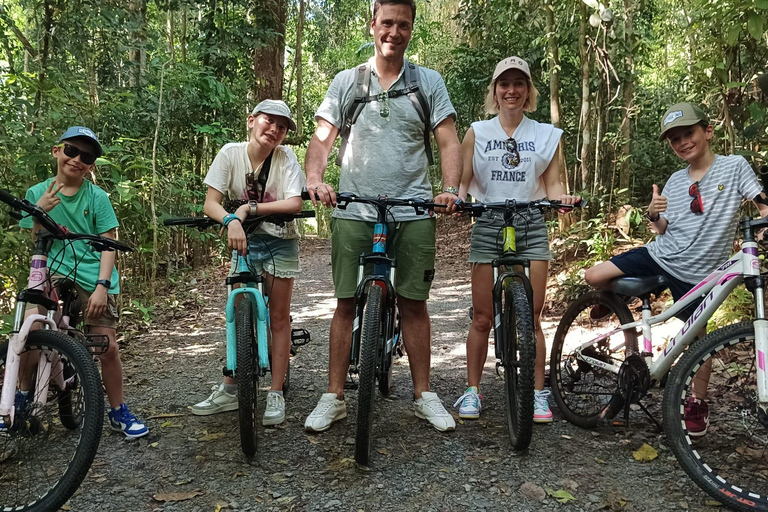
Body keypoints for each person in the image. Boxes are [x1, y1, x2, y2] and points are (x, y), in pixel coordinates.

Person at [304, 0, 462, 432]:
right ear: (373, 24)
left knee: (414, 303)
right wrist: (317, 179)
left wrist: (448, 190)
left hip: (413, 208)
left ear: (412, 29)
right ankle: (334, 396)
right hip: (354, 206)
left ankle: (424, 394)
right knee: (344, 302)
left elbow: (449, 141)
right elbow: (321, 139)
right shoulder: (347, 81)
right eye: (387, 22)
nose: (394, 31)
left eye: (403, 24)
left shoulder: (428, 82)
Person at [584, 102, 768, 436]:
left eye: (689, 133)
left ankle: (696, 403)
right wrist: (654, 214)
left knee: (699, 341)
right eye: (675, 139)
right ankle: (613, 300)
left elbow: (762, 202)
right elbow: (663, 229)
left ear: (707, 131)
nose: (683, 142)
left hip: (699, 273)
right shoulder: (674, 179)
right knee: (594, 276)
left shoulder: (734, 167)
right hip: (661, 255)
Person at [453, 57, 579, 423]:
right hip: (489, 219)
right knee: (481, 316)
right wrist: (456, 200)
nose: (511, 90)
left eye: (519, 84)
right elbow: (462, 182)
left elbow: (554, 185)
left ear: (528, 91)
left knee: (534, 316)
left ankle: (538, 393)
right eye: (504, 84)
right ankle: (472, 390)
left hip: (530, 221)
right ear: (495, 91)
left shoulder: (546, 135)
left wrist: (563, 201)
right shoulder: (477, 131)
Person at [19, 126, 149, 438]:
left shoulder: (98, 197)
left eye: (86, 156)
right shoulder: (37, 193)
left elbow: (108, 244)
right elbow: (35, 238)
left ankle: (118, 411)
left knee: (107, 347)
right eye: (71, 151)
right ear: (57, 151)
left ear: (91, 165)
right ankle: (20, 397)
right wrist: (41, 213)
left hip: (91, 271)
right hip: (51, 267)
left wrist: (103, 286)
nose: (77, 159)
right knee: (29, 330)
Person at [191, 100, 305, 426]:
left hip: (281, 241)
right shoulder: (230, 153)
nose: (274, 130)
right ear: (252, 121)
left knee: (278, 318)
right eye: (269, 121)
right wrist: (231, 219)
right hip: (243, 241)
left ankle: (276, 391)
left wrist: (250, 210)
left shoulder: (286, 158)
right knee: (239, 308)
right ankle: (230, 387)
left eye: (282, 127)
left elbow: (295, 202)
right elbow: (210, 203)